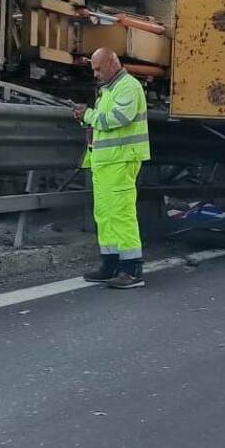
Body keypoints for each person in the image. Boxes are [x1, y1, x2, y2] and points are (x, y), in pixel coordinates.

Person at [73, 47, 150, 289]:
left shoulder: (128, 86)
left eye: (98, 68)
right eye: (93, 69)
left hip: (120, 160)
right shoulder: (109, 90)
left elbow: (116, 119)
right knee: (105, 215)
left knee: (121, 214)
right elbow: (103, 120)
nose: (95, 73)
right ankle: (110, 264)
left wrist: (88, 115)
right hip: (106, 162)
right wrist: (87, 115)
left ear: (112, 63)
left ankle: (132, 269)